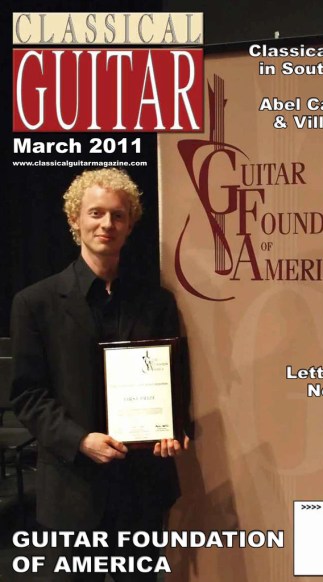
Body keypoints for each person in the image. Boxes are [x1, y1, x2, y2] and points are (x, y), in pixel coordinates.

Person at [10, 168, 189, 580]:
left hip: (142, 489)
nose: (107, 224)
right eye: (96, 213)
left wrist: (173, 427)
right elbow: (28, 395)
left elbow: (175, 380)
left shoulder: (157, 302)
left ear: (130, 225)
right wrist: (80, 440)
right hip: (73, 489)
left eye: (118, 215)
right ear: (75, 220)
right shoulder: (35, 303)